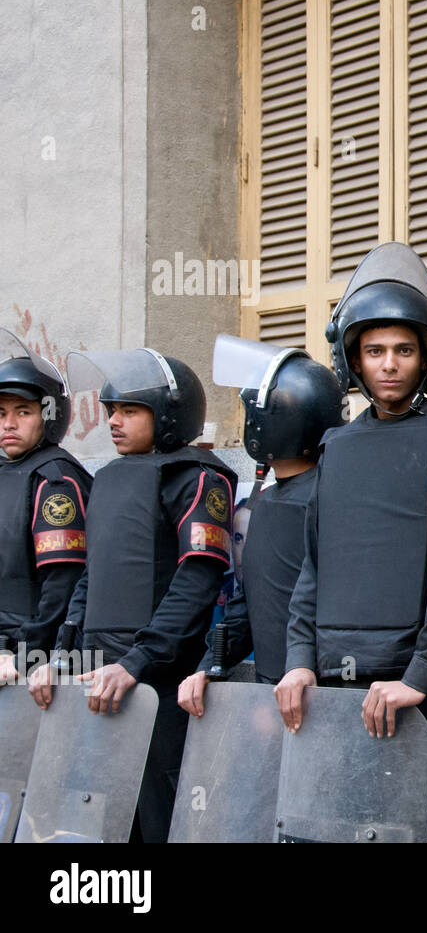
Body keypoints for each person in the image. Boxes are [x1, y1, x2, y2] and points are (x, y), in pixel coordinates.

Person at [274, 242, 427, 843]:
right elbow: (312, 571)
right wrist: (299, 663)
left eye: (404, 350)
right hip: (333, 693)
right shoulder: (336, 446)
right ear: (353, 359)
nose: (390, 364)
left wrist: (421, 675)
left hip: (414, 693)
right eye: (374, 351)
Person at [31, 348, 236, 843]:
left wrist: (138, 660)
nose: (115, 423)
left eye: (130, 410)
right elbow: (90, 575)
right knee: (97, 821)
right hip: (97, 676)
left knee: (161, 818)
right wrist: (62, 652)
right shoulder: (108, 478)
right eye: (110, 412)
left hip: (157, 685)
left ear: (168, 413)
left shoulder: (197, 477)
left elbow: (198, 578)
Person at [177, 335, 345, 715]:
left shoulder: (326, 499)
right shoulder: (269, 499)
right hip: (275, 695)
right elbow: (250, 602)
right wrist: (209, 667)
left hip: (316, 698)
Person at [0, 329, 92, 684]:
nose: (9, 423)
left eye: (23, 411)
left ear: (49, 415)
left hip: (32, 663)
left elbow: (63, 582)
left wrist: (27, 657)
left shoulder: (56, 480)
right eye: (2, 412)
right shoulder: (8, 470)